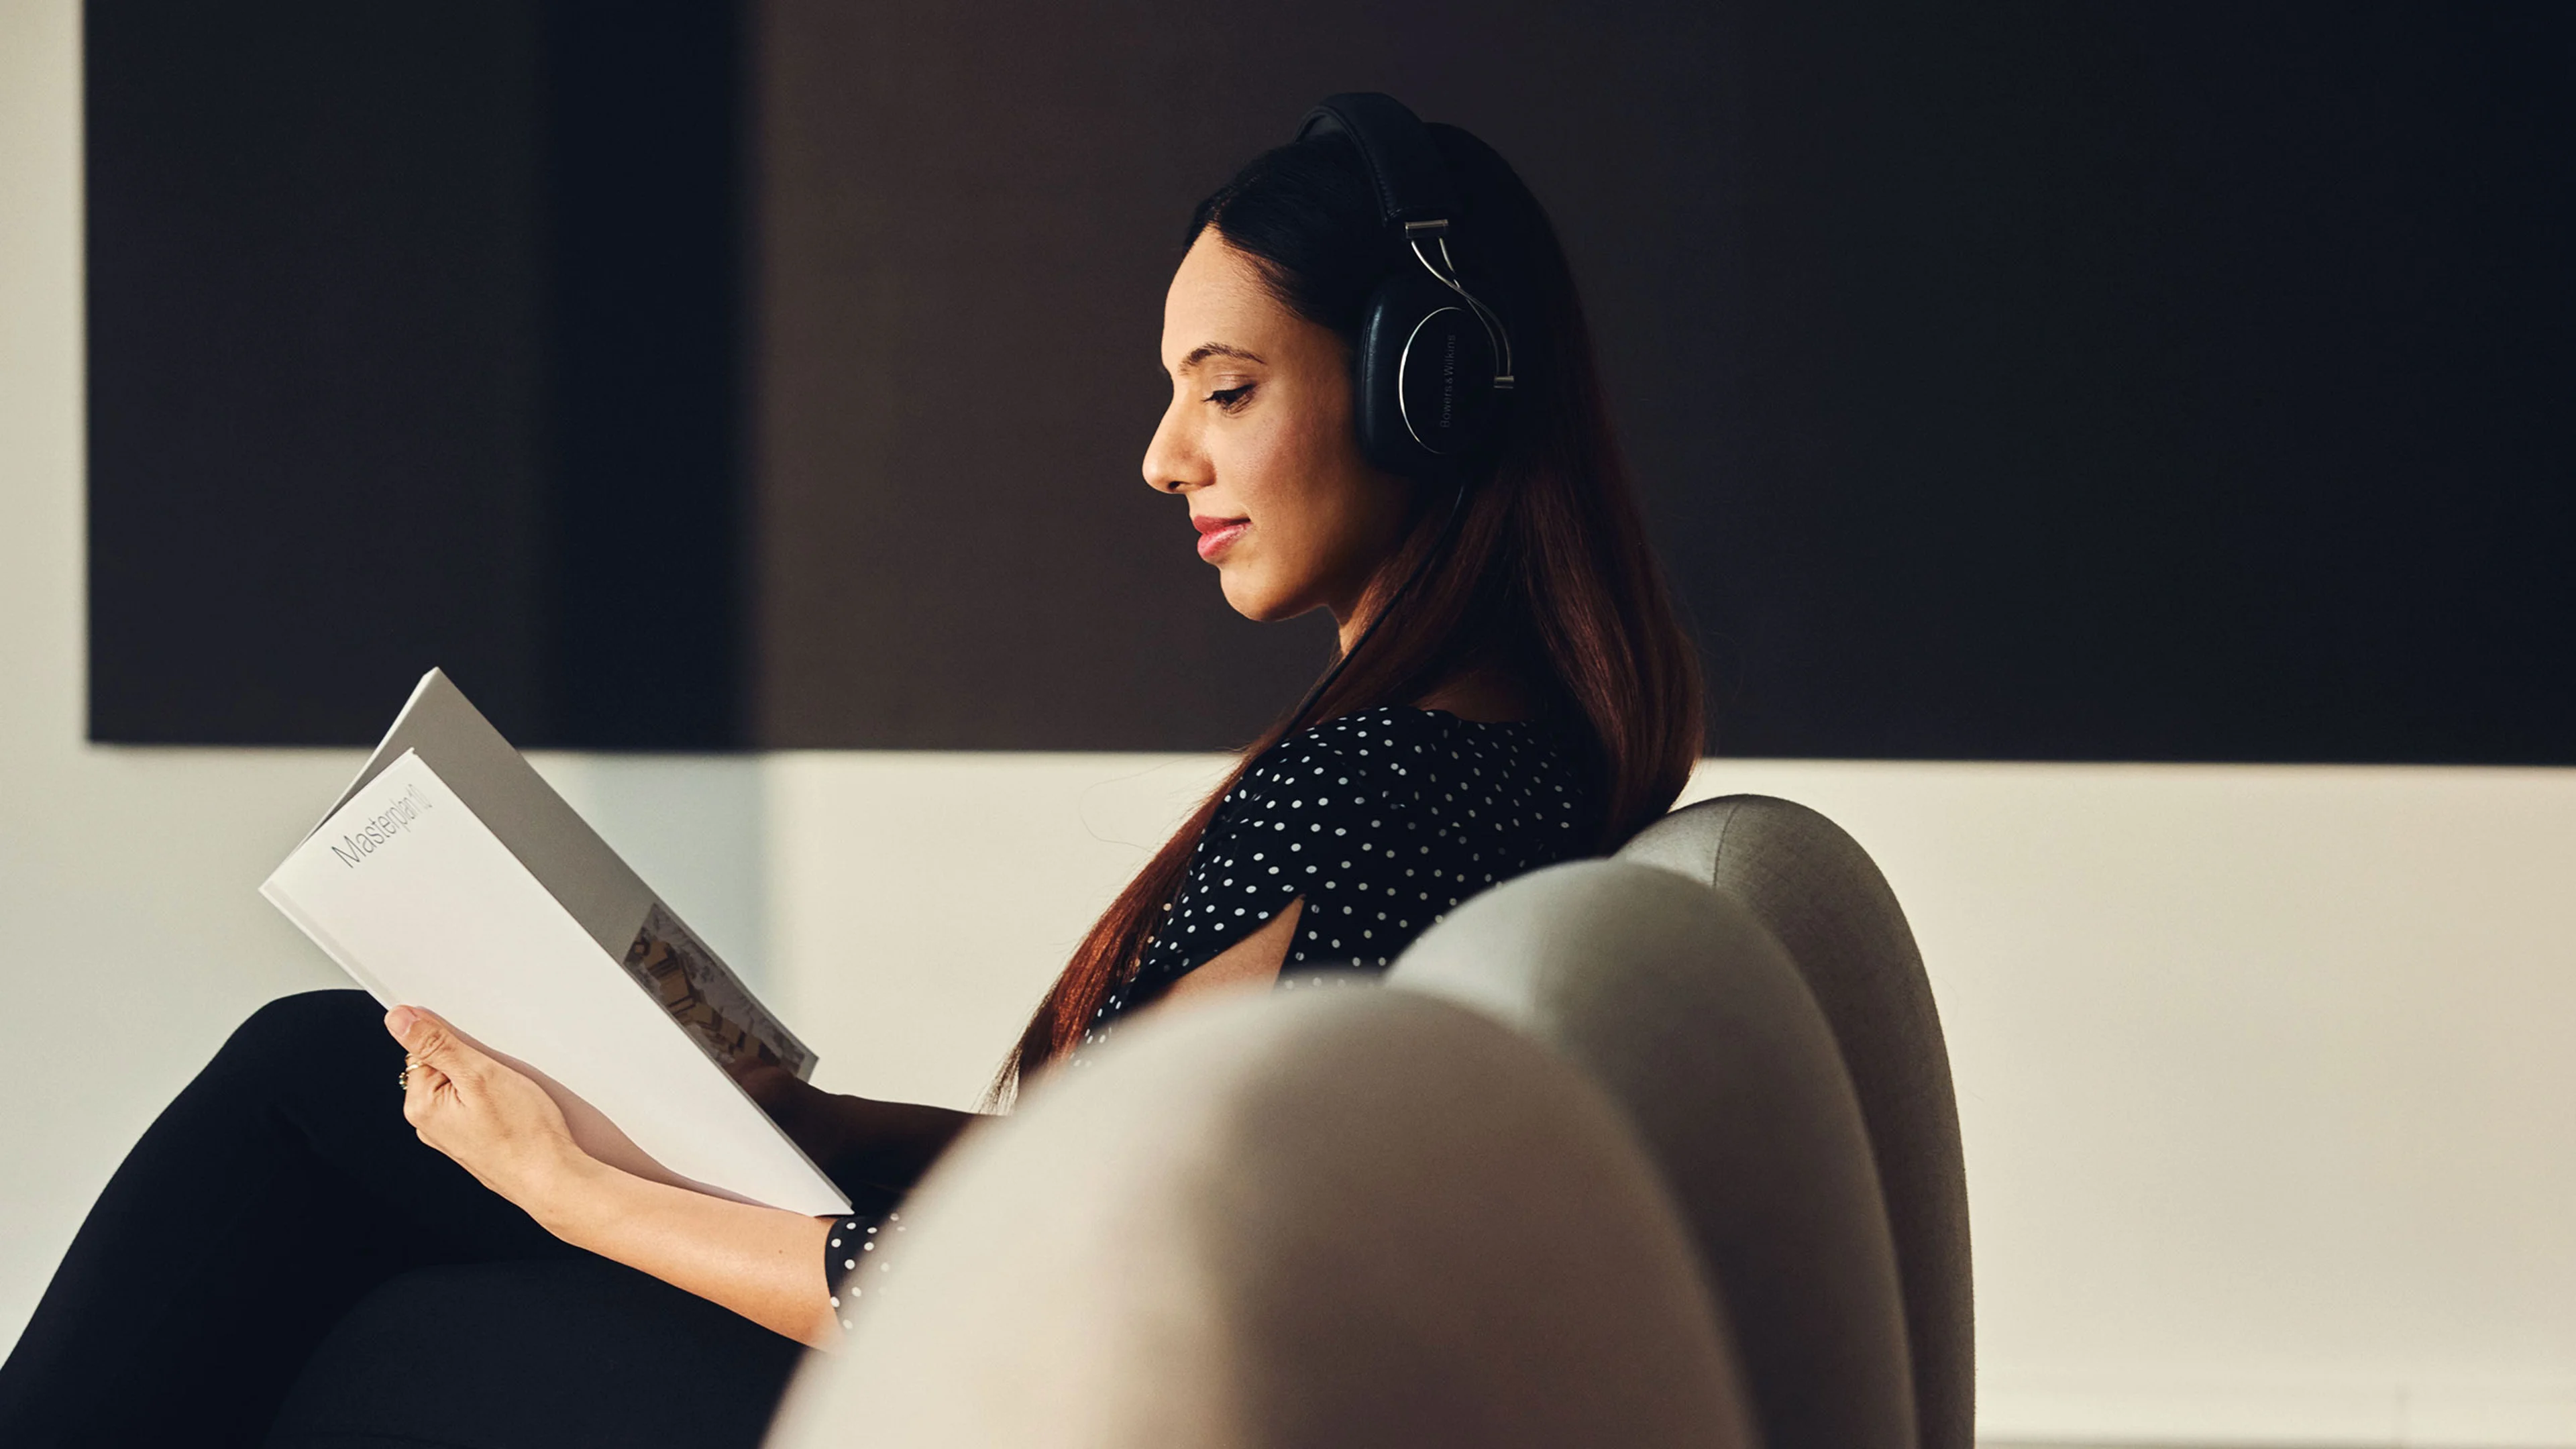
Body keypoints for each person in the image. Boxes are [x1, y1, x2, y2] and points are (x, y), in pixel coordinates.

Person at [0, 93, 1701, 1448]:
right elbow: (1112, 1182)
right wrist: (801, 1119)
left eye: (1226, 388)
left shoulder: (1376, 793)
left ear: (1429, 392)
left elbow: (1064, 1292)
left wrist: (570, 1187)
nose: (1162, 452)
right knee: (325, 1084)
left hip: (987, 1397)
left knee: (375, 1300)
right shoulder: (1506, 767)